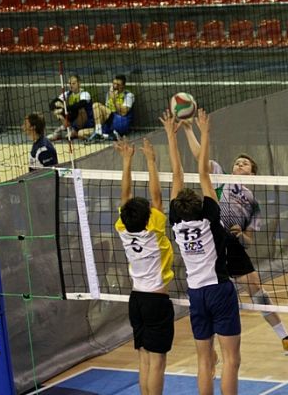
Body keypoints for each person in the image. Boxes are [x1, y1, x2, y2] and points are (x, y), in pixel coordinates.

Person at [182, 121, 288, 355]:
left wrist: (242, 235)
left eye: (245, 163)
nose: (239, 164)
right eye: (237, 162)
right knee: (215, 294)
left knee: (257, 290)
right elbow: (201, 157)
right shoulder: (221, 178)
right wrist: (189, 130)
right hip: (213, 242)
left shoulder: (252, 202)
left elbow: (249, 240)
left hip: (233, 246)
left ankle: (285, 339)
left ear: (253, 174)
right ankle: (209, 348)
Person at [163, 109, 241, 395]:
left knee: (204, 361)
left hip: (195, 293)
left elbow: (177, 175)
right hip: (219, 289)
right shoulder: (209, 218)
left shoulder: (175, 221)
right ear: (200, 204)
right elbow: (204, 173)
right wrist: (204, 131)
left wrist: (170, 136)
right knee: (231, 360)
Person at [114, 137, 174, 395]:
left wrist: (126, 161)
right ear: (150, 215)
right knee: (158, 362)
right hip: (156, 301)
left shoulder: (122, 227)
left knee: (144, 360)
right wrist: (151, 161)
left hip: (136, 300)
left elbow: (125, 197)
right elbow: (157, 197)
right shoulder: (154, 230)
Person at [88, 74, 135, 141]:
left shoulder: (129, 95)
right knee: (81, 133)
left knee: (96, 105)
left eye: (118, 85)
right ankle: (107, 135)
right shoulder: (109, 94)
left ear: (123, 86)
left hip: (120, 122)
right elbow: (105, 111)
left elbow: (123, 113)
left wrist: (114, 99)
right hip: (109, 122)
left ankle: (99, 133)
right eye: (114, 84)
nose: (115, 86)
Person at [48, 74, 94, 140]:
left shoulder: (85, 94)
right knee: (57, 105)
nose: (71, 85)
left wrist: (63, 109)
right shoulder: (67, 94)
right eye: (69, 83)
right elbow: (52, 104)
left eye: (73, 83)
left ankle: (72, 130)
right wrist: (57, 110)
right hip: (73, 119)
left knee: (80, 109)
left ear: (79, 84)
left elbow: (79, 105)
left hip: (86, 122)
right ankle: (68, 128)